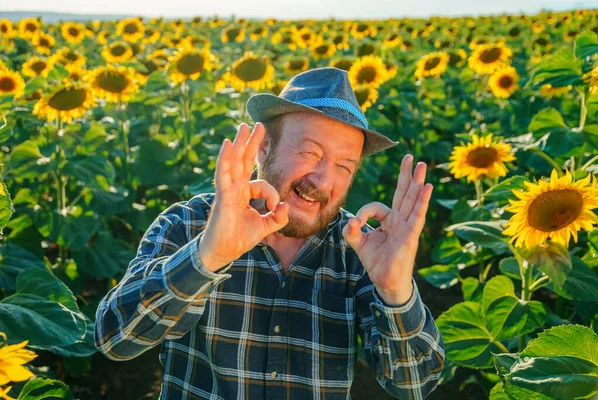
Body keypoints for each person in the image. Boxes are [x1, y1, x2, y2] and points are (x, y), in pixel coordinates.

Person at [95, 67, 445, 399]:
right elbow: (114, 339)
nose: (323, 180)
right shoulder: (190, 224)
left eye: (344, 166)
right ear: (264, 148)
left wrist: (395, 293)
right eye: (310, 152)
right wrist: (208, 256)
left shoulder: (358, 250)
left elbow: (415, 385)